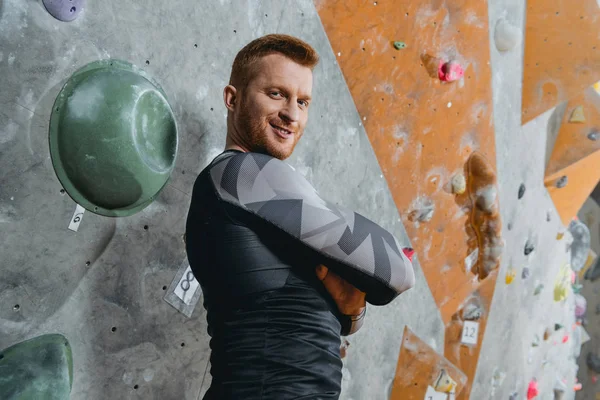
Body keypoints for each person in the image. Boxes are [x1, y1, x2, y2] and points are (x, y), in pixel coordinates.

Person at [186, 34, 410, 400]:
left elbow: (317, 315)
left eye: (302, 101)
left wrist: (351, 311)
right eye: (276, 94)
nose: (292, 114)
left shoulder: (256, 201)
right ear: (232, 98)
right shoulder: (242, 175)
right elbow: (396, 270)